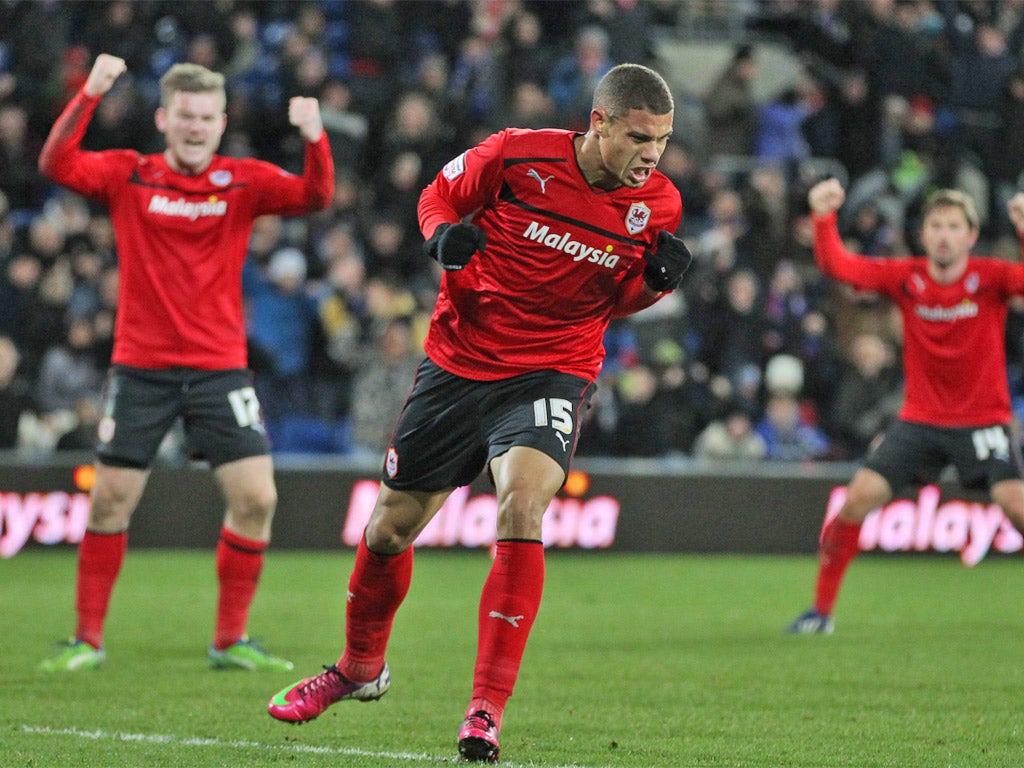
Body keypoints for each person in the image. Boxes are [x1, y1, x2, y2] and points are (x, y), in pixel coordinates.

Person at [266, 63, 690, 763]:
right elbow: (438, 195)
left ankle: (485, 710)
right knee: (388, 529)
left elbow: (613, 304)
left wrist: (654, 289)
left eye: (664, 141)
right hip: (459, 362)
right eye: (641, 137)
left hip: (553, 371)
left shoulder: (660, 207)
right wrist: (440, 238)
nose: (653, 155)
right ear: (600, 123)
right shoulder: (517, 154)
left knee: (522, 507)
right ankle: (358, 669)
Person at [37, 53, 334, 671]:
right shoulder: (129, 174)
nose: (195, 127)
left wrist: (315, 136)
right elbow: (56, 163)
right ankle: (86, 639)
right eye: (184, 116)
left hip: (219, 369)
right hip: (141, 368)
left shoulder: (243, 181)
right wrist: (89, 92)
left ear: (221, 122)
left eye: (206, 117)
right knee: (111, 500)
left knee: (257, 499)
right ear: (163, 119)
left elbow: (315, 195)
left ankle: (229, 640)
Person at [786, 178, 1024, 635]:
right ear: (923, 233)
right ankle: (820, 612)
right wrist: (823, 217)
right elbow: (841, 265)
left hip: (983, 421)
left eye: (954, 226)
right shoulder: (907, 277)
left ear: (970, 237)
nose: (944, 234)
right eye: (936, 225)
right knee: (855, 502)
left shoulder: (991, 277)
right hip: (920, 421)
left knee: (1015, 506)